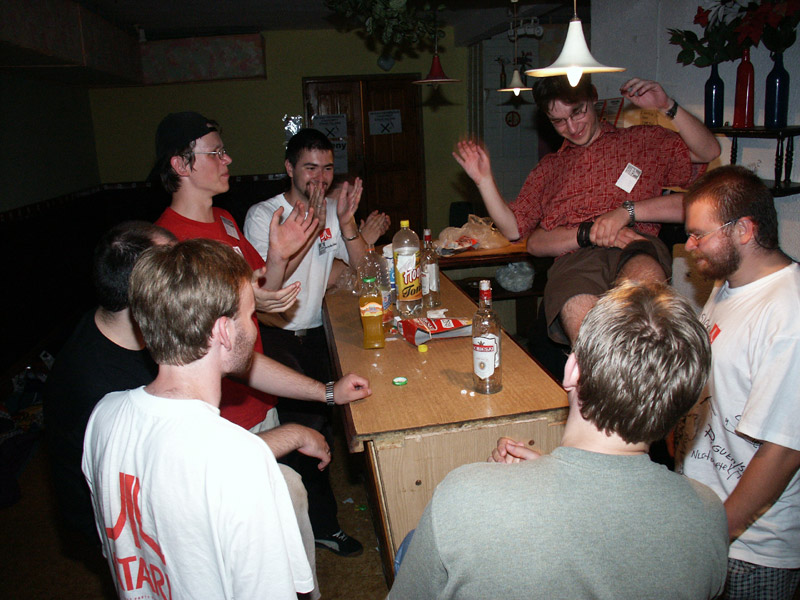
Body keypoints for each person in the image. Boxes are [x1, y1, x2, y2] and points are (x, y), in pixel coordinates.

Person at [389, 281, 729, 599]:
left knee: (411, 545)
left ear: (572, 371)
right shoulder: (708, 515)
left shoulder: (463, 497)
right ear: (680, 405)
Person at [152, 113, 367, 557]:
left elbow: (266, 297)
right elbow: (205, 345)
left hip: (258, 391)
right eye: (215, 152)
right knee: (243, 537)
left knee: (278, 514)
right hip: (220, 412)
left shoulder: (226, 221)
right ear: (181, 164)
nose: (228, 159)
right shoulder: (167, 243)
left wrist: (280, 259)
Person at [83, 239, 316, 598]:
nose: (253, 328)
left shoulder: (103, 417)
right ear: (224, 331)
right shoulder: (241, 460)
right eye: (249, 315)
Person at [454, 76, 720, 345]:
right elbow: (513, 229)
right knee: (588, 331)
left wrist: (667, 106)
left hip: (635, 244)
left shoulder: (642, 140)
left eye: (577, 112)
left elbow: (709, 151)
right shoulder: (549, 168)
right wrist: (484, 181)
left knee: (642, 312)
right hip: (576, 258)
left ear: (593, 98)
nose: (572, 127)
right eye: (559, 121)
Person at [242, 128, 371, 555]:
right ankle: (322, 526)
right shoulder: (265, 215)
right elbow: (268, 286)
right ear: (289, 168)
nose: (320, 178)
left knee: (326, 424)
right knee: (305, 430)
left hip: (316, 331)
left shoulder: (334, 210)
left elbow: (365, 270)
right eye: (310, 168)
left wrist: (346, 224)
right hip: (274, 336)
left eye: (328, 168)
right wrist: (309, 229)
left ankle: (310, 518)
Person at [674, 165, 800, 600]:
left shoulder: (789, 315)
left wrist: (717, 533)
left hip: (749, 549)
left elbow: (784, 450)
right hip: (705, 521)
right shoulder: (729, 286)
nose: (690, 246)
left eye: (699, 234)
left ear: (744, 230)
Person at [44, 221, 175, 546]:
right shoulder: (104, 389)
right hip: (121, 528)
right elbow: (171, 475)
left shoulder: (115, 325)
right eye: (175, 270)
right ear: (145, 295)